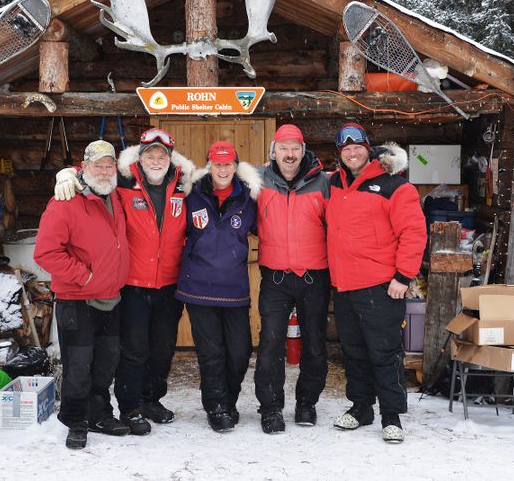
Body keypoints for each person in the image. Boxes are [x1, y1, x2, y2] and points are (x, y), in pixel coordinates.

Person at [53, 128, 195, 435]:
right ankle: (130, 407)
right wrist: (68, 173)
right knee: (133, 350)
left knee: (162, 349)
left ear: (170, 159)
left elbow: (224, 180)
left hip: (169, 285)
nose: (156, 160)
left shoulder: (185, 184)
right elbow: (94, 175)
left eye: (161, 155)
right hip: (132, 284)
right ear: (140, 157)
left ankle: (151, 400)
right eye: (150, 155)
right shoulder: (123, 182)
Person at [325, 123, 426, 443]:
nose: (352, 152)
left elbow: (413, 233)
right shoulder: (334, 185)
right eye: (345, 148)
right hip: (344, 285)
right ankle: (361, 407)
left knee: (384, 352)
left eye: (357, 146)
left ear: (368, 149)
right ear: (340, 154)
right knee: (353, 351)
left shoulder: (395, 187)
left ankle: (392, 414)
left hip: (381, 285)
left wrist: (403, 276)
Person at [34, 140, 131, 450]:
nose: (104, 171)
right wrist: (84, 276)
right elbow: (46, 252)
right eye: (97, 165)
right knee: (78, 364)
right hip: (77, 299)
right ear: (85, 167)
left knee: (106, 361)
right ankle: (75, 419)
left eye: (109, 165)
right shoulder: (65, 201)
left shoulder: (113, 195)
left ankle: (100, 412)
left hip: (111, 295)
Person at [175, 141, 261, 433]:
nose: (222, 169)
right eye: (217, 164)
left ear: (236, 166)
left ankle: (229, 401)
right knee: (211, 352)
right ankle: (216, 406)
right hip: (198, 287)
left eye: (228, 164)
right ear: (208, 166)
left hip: (234, 289)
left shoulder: (249, 198)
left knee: (239, 351)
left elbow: (268, 227)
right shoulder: (191, 194)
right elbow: (142, 173)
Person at [253, 124, 331, 434]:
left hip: (314, 276)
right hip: (275, 277)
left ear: (303, 150)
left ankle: (306, 403)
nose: (289, 153)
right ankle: (271, 407)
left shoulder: (323, 183)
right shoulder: (257, 181)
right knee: (271, 343)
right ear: (273, 151)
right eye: (283, 147)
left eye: (295, 147)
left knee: (314, 343)